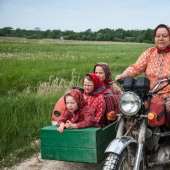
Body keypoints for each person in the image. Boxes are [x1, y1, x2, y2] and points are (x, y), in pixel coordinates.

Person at [115, 24, 170, 114]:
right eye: (158, 36)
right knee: (130, 111)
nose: (160, 38)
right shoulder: (149, 53)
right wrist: (122, 75)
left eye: (164, 36)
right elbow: (136, 68)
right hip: (149, 94)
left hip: (168, 95)